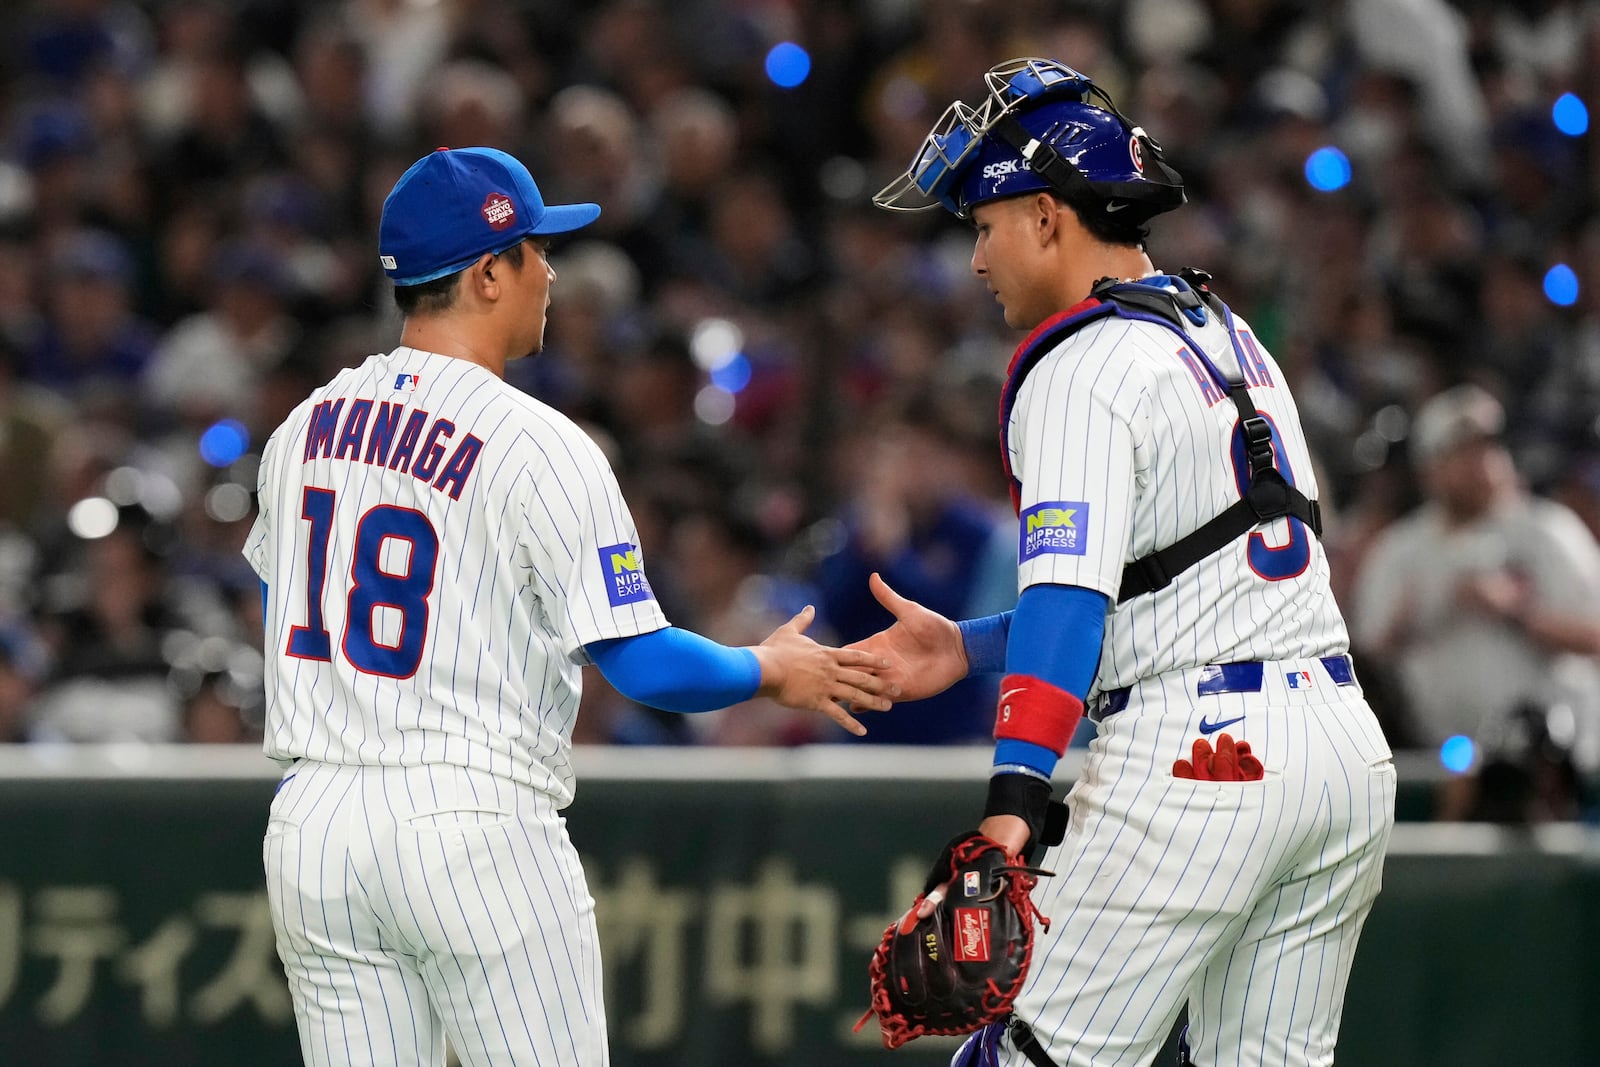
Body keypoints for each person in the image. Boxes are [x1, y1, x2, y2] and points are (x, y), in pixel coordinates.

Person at [243, 146, 895, 1067]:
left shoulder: (303, 425)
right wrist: (766, 668)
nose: (551, 272)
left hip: (314, 823)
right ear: (486, 272)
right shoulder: (538, 442)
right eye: (537, 251)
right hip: (469, 817)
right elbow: (642, 661)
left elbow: (281, 608)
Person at [858, 59, 1395, 1066]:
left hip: (1203, 752)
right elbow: (1168, 580)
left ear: (1046, 216)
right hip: (1341, 753)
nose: (976, 260)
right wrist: (970, 645)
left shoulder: (1079, 360)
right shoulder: (1225, 333)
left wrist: (1012, 803)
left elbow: (1069, 592)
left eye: (983, 226)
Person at [1351, 383, 1600, 820]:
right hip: (1437, 763)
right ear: (1430, 466)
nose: (1479, 463)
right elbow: (1366, 662)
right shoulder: (1400, 550)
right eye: (1461, 452)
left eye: (1486, 448)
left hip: (1550, 769)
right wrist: (1414, 618)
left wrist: (1517, 612)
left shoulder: (1548, 531)